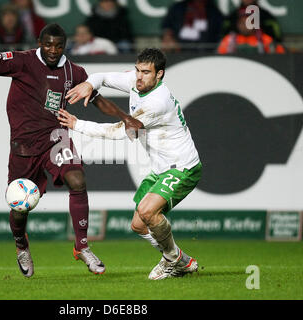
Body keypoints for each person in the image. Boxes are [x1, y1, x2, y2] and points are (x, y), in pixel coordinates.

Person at [0, 23, 143, 278]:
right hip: (23, 147)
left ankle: (82, 246)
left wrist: (124, 116)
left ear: (64, 46)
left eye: (58, 45)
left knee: (78, 179)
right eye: (48, 44)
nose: (53, 50)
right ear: (40, 43)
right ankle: (21, 245)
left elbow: (97, 99)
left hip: (56, 138)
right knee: (19, 209)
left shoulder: (74, 71)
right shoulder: (22, 61)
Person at [63, 48, 202, 280]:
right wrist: (89, 83)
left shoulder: (158, 102)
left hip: (182, 167)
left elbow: (120, 132)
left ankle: (171, 260)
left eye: (146, 72)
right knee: (138, 225)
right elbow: (103, 77)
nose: (139, 76)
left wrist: (78, 125)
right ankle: (181, 260)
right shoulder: (136, 81)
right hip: (161, 169)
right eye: (137, 70)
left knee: (148, 211)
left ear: (159, 75)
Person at [217, 8, 285, 54]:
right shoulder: (229, 40)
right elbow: (220, 58)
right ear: (237, 25)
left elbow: (280, 56)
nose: (244, 26)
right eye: (241, 23)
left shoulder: (265, 40)